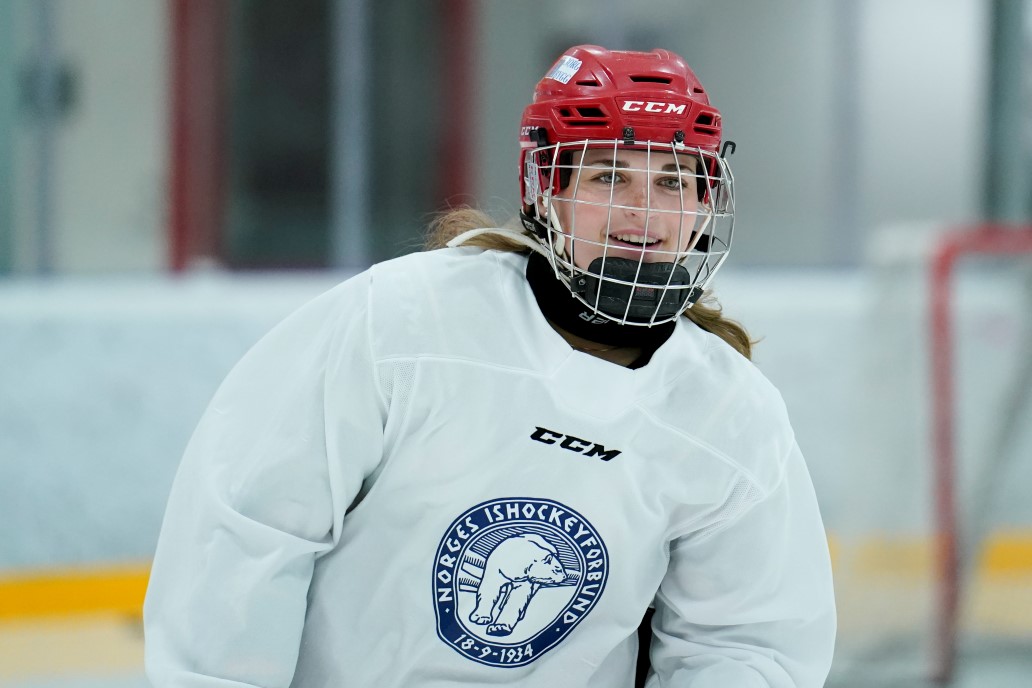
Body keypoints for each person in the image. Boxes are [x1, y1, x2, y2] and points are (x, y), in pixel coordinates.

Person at [144, 44, 836, 687]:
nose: (645, 211)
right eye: (608, 174)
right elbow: (247, 534)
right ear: (545, 189)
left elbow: (749, 645)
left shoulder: (730, 410)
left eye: (675, 180)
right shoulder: (401, 323)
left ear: (705, 202)